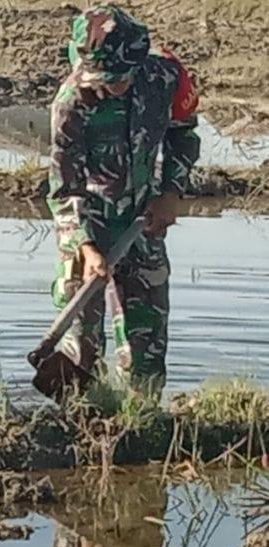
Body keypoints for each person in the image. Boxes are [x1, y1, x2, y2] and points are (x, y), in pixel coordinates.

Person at [47, 4, 201, 400]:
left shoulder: (165, 78)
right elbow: (64, 189)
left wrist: (170, 194)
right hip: (87, 222)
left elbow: (184, 136)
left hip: (142, 218)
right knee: (81, 340)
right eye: (100, 79)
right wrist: (85, 245)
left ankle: (142, 420)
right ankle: (77, 421)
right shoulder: (70, 104)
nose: (106, 87)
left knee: (146, 336)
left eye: (116, 80)